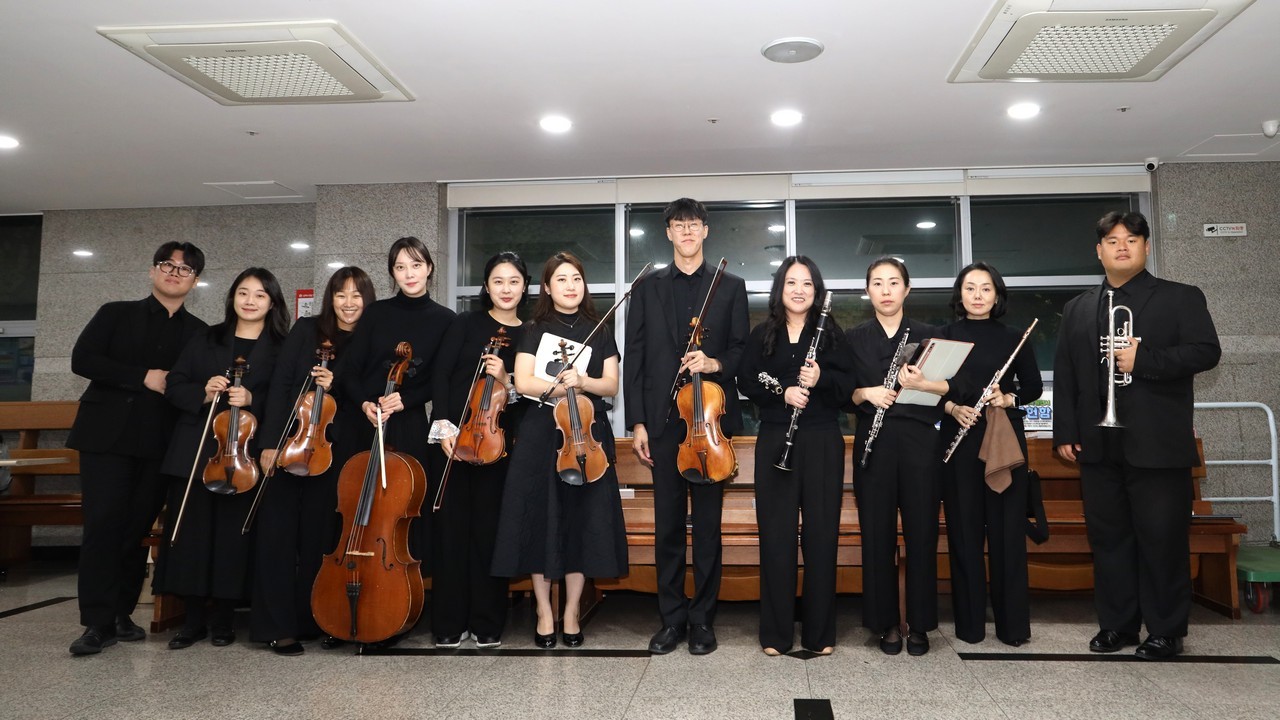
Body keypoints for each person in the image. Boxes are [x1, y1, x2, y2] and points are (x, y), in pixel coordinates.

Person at [1053, 211, 1219, 660]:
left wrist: (1144, 360)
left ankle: (1166, 630)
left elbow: (1207, 351)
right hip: (1098, 443)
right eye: (1112, 240)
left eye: (1131, 239)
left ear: (1146, 246)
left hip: (1158, 444)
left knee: (1162, 540)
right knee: (1109, 540)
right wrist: (1065, 431)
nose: (1121, 246)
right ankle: (1117, 625)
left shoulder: (1180, 297)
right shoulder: (1078, 307)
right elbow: (1066, 373)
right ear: (1099, 251)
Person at [66, 242, 208, 656]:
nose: (175, 273)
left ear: (195, 281)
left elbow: (192, 385)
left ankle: (121, 614)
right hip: (106, 438)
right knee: (103, 526)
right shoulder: (115, 313)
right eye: (168, 265)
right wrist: (142, 376)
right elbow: (82, 359)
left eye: (185, 269)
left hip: (159, 444)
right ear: (152, 271)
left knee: (134, 530)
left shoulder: (199, 332)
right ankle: (96, 622)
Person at [624, 197, 748, 656]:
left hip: (709, 423)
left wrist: (714, 363)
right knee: (669, 527)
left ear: (705, 231)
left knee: (709, 528)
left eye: (695, 224)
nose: (688, 231)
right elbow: (635, 356)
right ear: (669, 233)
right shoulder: (647, 287)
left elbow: (742, 350)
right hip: (662, 422)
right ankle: (672, 619)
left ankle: (703, 621)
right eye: (679, 225)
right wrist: (637, 421)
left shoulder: (730, 286)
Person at [492, 252, 627, 649]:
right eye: (562, 279)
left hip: (586, 435)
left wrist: (583, 382)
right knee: (539, 520)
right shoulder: (534, 328)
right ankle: (543, 611)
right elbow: (523, 382)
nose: (570, 285)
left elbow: (611, 385)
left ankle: (570, 612)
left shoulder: (600, 328)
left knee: (582, 522)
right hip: (542, 434)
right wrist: (556, 386)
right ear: (547, 288)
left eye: (577, 279)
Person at [154, 267, 289, 649]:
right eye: (243, 292)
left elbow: (289, 396)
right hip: (198, 451)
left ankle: (225, 620)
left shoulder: (281, 346)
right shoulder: (207, 337)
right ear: (232, 297)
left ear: (272, 303)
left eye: (260, 295)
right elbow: (174, 383)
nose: (250, 301)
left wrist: (253, 400)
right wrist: (203, 391)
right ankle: (192, 620)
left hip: (245, 455)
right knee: (192, 536)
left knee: (233, 538)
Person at [251, 266, 376, 656]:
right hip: (291, 444)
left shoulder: (371, 341)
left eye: (356, 295)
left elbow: (367, 400)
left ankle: (313, 619)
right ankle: (277, 627)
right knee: (277, 536)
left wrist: (336, 385)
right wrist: (269, 443)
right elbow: (281, 385)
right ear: (330, 298)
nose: (348, 303)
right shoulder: (306, 330)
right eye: (340, 294)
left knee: (320, 539)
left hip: (337, 452)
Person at [737, 256, 851, 656]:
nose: (799, 290)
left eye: (806, 283)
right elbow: (746, 380)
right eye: (791, 283)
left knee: (822, 536)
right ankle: (776, 633)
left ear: (816, 291)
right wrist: (782, 392)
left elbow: (850, 388)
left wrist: (822, 378)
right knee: (776, 537)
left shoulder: (832, 334)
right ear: (780, 290)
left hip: (822, 440)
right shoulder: (762, 334)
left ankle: (820, 634)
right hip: (775, 438)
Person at [845, 256, 949, 656]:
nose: (886, 290)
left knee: (922, 533)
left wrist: (926, 384)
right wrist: (865, 393)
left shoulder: (930, 336)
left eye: (893, 282)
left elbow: (952, 387)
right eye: (877, 283)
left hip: (920, 443)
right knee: (877, 536)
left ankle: (919, 625)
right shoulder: (853, 338)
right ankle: (885, 623)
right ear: (867, 291)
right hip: (874, 445)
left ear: (907, 289)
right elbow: (842, 394)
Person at [428, 252, 528, 649]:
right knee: (451, 534)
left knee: (489, 533)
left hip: (499, 446)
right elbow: (441, 374)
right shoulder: (465, 323)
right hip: (454, 441)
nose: (506, 288)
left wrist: (508, 380)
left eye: (514, 281)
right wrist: (443, 427)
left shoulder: (530, 334)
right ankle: (448, 622)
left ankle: (487, 622)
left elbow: (530, 397)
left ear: (525, 287)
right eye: (498, 281)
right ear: (487, 287)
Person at [939, 262, 1042, 646]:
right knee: (964, 534)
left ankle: (1012, 627)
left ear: (997, 295)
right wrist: (952, 408)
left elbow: (1032, 386)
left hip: (1003, 439)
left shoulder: (1014, 337)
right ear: (960, 294)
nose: (978, 295)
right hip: (960, 438)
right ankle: (969, 627)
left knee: (1007, 535)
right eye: (970, 288)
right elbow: (928, 389)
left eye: (985, 288)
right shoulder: (945, 336)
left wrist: (1008, 397)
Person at [337, 237, 455, 570]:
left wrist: (406, 400)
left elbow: (439, 379)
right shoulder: (376, 313)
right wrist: (364, 403)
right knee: (358, 501)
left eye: (416, 265)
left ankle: (402, 579)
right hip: (365, 421)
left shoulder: (445, 319)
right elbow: (350, 370)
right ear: (392, 273)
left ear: (429, 268)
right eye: (400, 267)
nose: (409, 274)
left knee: (405, 505)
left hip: (408, 422)